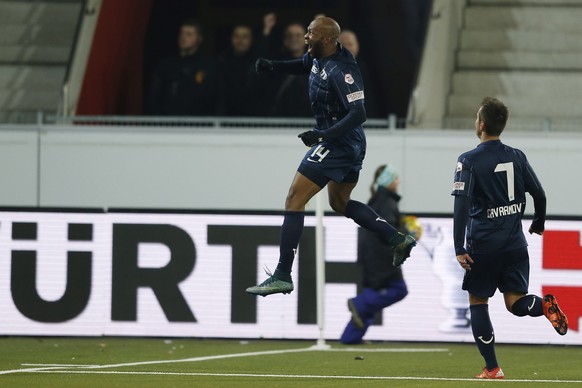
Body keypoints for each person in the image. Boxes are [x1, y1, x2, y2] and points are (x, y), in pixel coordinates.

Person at [245, 16, 417, 297]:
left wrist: (323, 136)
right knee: (340, 202)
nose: (305, 37)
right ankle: (396, 238)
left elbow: (359, 112)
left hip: (340, 143)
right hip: (346, 143)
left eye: (310, 33)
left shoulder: (342, 70)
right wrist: (274, 66)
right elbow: (303, 66)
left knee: (294, 198)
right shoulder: (318, 57)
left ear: (326, 38)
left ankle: (282, 274)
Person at [452, 97, 568, 379]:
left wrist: (459, 246)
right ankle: (543, 306)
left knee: (478, 302)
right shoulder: (517, 156)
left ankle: (492, 368)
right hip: (515, 244)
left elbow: (462, 205)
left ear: (481, 125)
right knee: (516, 302)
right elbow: (539, 194)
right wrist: (538, 221)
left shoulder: (467, 160)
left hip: (483, 245)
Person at [340, 164, 413, 344]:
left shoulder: (377, 199)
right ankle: (359, 303)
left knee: (374, 293)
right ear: (388, 181)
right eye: (395, 178)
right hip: (382, 256)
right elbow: (388, 229)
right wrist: (406, 231)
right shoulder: (386, 201)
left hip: (370, 254)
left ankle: (350, 338)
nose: (398, 181)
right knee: (398, 289)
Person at [147, 19, 223, 116]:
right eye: (181, 33)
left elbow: (218, 98)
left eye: (189, 34)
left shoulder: (209, 65)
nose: (183, 37)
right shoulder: (167, 64)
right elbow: (155, 96)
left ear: (199, 39)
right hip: (169, 123)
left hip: (201, 124)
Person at [217, 24, 258, 116]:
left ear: (251, 40)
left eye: (245, 37)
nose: (240, 40)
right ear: (231, 38)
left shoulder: (258, 64)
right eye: (236, 36)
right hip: (225, 119)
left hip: (253, 120)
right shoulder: (221, 62)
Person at [337, 30, 379, 118]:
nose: (347, 48)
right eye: (343, 45)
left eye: (350, 44)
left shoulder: (366, 69)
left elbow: (370, 98)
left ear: (357, 46)